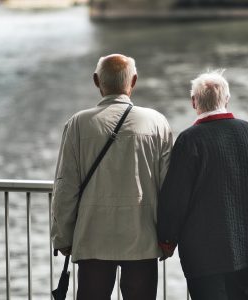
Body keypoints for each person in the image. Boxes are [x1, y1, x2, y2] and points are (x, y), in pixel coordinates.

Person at [51, 54, 172, 300]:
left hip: (93, 239)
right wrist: (168, 237)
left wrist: (62, 235)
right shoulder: (157, 123)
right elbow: (169, 188)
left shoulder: (78, 124)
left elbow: (66, 186)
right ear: (134, 81)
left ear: (97, 81)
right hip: (142, 239)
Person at [157, 70, 248, 300]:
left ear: (194, 102)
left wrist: (167, 239)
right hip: (245, 244)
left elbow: (176, 196)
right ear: (227, 99)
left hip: (202, 250)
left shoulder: (190, 140)